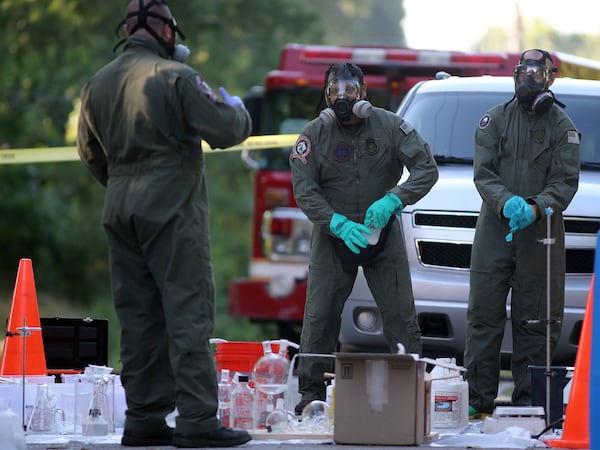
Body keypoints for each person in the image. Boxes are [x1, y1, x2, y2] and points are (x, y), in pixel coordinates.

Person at [76, 0, 252, 447]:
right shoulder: (175, 77)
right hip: (171, 208)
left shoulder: (97, 83)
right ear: (166, 34)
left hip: (120, 208)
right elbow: (227, 131)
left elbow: (90, 155)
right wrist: (238, 108)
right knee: (187, 308)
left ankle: (144, 418)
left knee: (137, 315)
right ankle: (196, 421)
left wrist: (123, 185)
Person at [289, 62, 439, 414]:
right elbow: (304, 188)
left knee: (401, 315)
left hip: (381, 232)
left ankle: (411, 392)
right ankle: (311, 396)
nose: (343, 98)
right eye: (335, 91)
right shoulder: (314, 134)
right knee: (320, 317)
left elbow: (426, 168)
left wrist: (394, 199)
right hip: (333, 234)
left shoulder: (389, 125)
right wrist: (335, 222)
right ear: (326, 95)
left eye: (350, 91)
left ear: (363, 93)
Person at [464, 49, 581, 417]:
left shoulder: (563, 127)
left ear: (551, 79)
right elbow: (484, 174)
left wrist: (535, 206)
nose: (529, 80)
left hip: (540, 234)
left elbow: (565, 183)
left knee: (535, 321)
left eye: (538, 74)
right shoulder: (493, 120)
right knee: (483, 317)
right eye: (523, 72)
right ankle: (476, 403)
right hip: (494, 232)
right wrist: (506, 203)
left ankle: (530, 408)